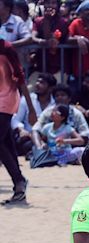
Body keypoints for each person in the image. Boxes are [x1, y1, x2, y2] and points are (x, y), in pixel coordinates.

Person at [0, 38, 34, 204]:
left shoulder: (6, 48)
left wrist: (31, 109)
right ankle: (19, 187)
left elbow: (20, 77)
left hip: (7, 100)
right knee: (6, 143)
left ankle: (19, 180)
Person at [11, 72, 56, 155]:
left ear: (50, 88)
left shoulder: (55, 104)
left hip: (48, 138)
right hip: (28, 137)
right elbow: (15, 120)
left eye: (42, 83)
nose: (37, 84)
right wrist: (21, 129)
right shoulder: (27, 99)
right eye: (37, 81)